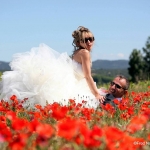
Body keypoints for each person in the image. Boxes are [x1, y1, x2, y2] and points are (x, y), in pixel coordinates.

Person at [0, 26, 104, 108]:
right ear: (78, 42)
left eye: (91, 39)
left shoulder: (77, 52)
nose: (89, 42)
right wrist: (96, 94)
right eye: (85, 40)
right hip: (73, 84)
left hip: (75, 83)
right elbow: (87, 76)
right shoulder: (85, 53)